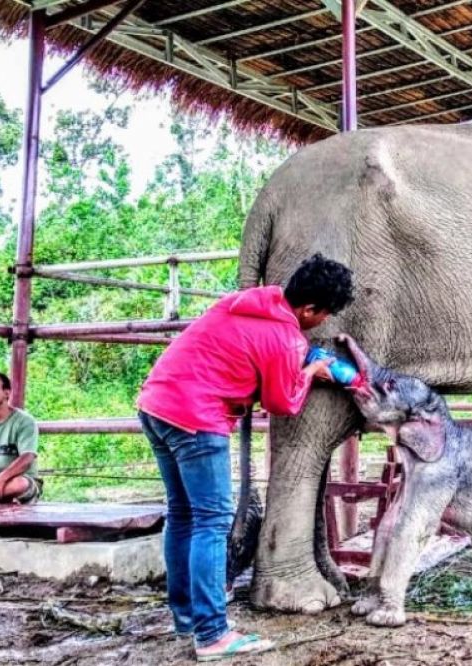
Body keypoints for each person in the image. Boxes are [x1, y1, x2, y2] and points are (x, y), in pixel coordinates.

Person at [137, 253, 354, 661]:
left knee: (182, 514)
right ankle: (213, 634)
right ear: (308, 309)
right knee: (211, 522)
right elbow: (282, 403)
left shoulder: (249, 300)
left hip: (155, 405)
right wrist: (310, 372)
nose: (322, 322)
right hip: (196, 419)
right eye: (323, 315)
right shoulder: (287, 338)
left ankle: (186, 617)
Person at [0, 370, 42, 505]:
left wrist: (0, 479)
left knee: (20, 484)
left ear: (7, 392)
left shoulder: (24, 421)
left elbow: (27, 457)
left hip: (15, 481)